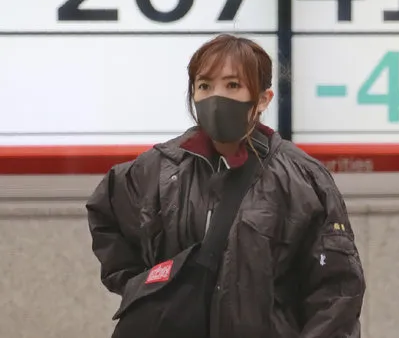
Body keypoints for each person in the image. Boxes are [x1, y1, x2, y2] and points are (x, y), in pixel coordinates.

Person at [86, 34, 366, 337]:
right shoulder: (160, 167)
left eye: (233, 85)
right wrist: (145, 286)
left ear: (262, 98)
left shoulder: (301, 179)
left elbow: (336, 293)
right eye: (204, 85)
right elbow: (107, 213)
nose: (216, 98)